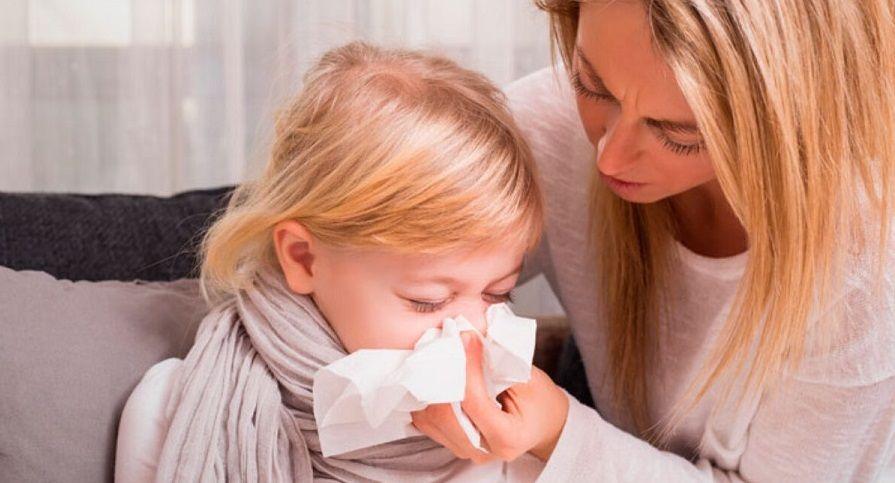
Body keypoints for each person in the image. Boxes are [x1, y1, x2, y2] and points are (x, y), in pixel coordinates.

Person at [410, 1, 895, 481]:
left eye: (678, 133)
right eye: (592, 86)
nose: (609, 158)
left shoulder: (867, 271)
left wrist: (560, 435)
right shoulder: (548, 123)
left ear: (787, 116)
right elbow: (381, 260)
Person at [114, 41, 553, 481]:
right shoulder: (175, 412)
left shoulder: (511, 432)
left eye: (498, 294)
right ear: (303, 259)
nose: (472, 335)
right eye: (428, 301)